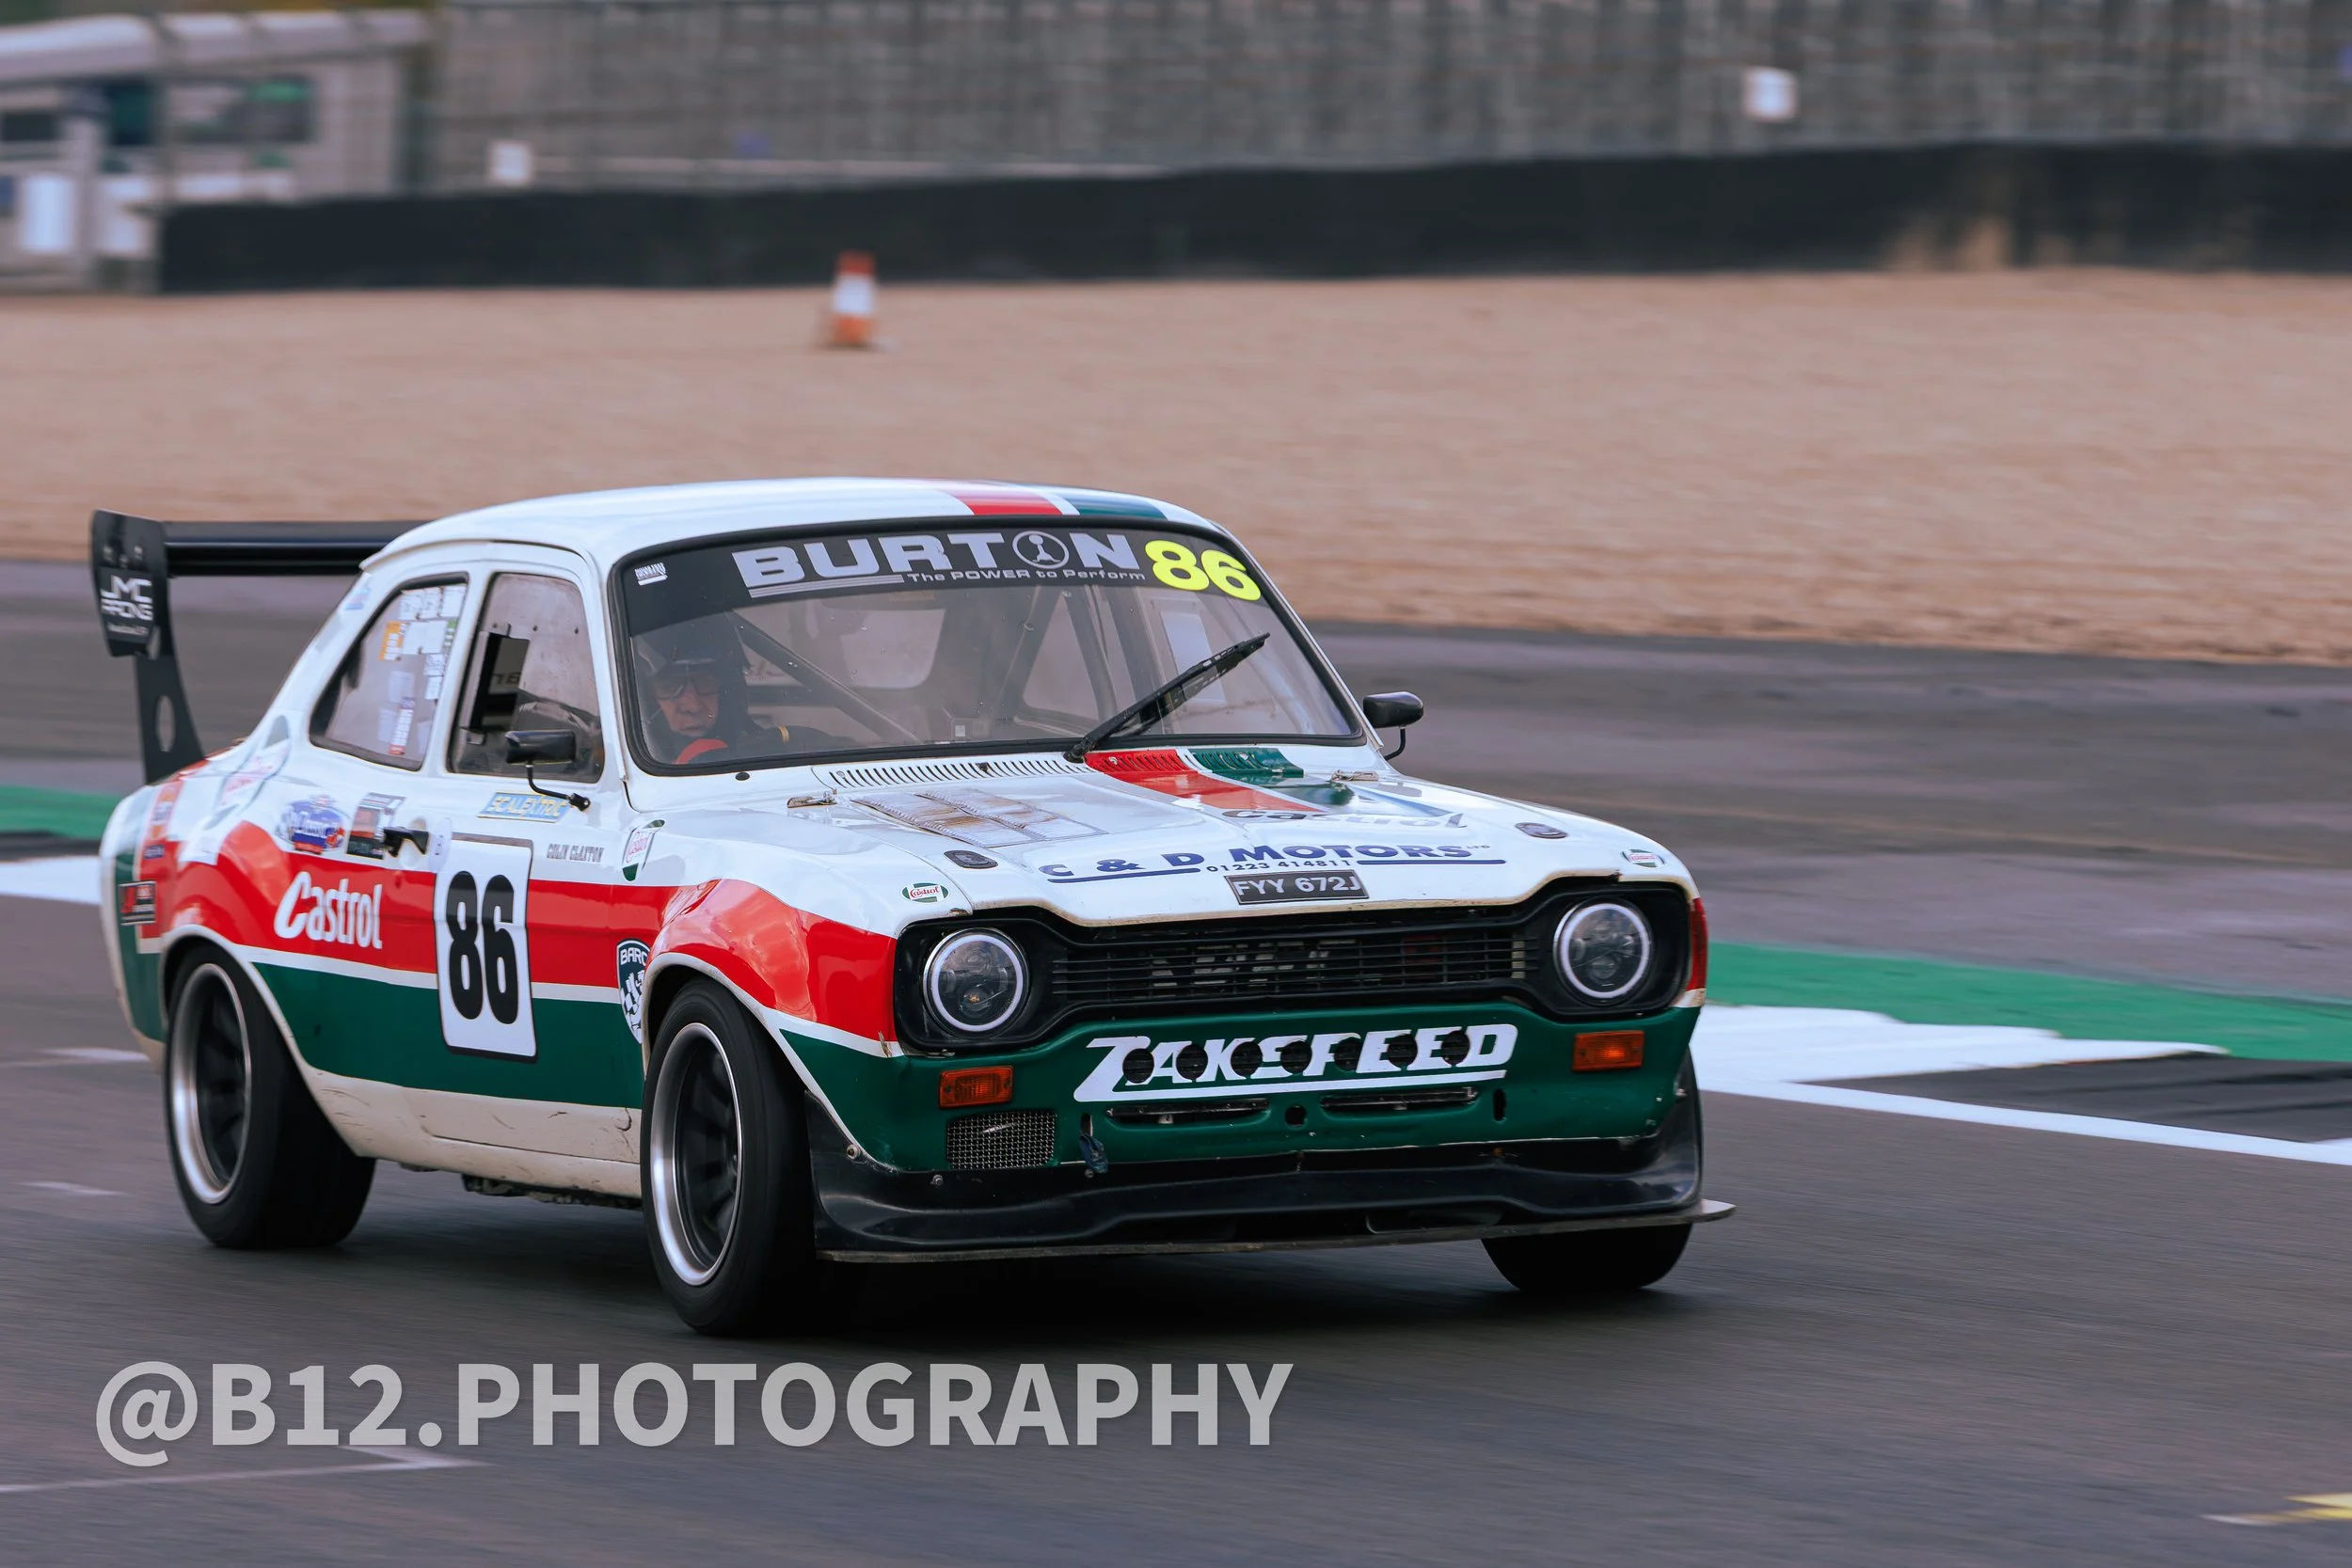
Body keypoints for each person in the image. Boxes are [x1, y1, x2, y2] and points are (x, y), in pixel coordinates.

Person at [636, 620, 788, 765]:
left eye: (706, 682)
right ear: (647, 697)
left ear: (728, 692)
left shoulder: (768, 756)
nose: (693, 706)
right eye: (670, 686)